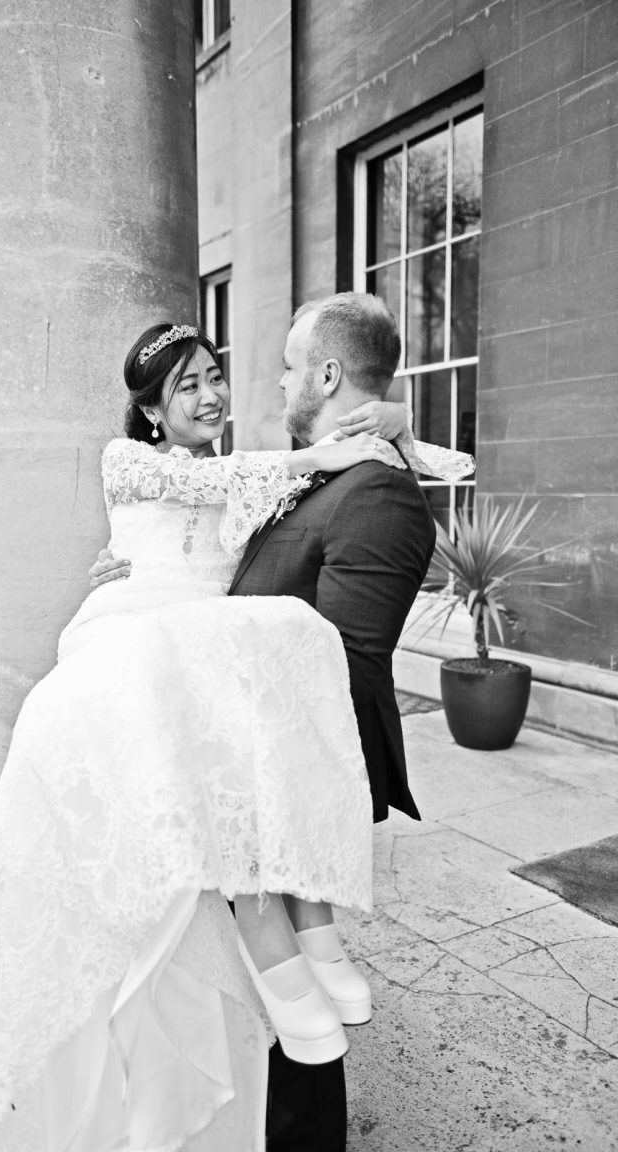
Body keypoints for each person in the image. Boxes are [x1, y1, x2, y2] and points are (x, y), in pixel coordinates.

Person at [89, 293, 474, 1151]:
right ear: (151, 408)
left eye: (289, 367)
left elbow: (340, 662)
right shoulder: (282, 472)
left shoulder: (374, 494)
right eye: (190, 384)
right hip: (214, 728)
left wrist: (390, 429)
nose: (257, 385)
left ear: (329, 374)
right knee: (234, 965)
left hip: (283, 755)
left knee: (292, 1000)